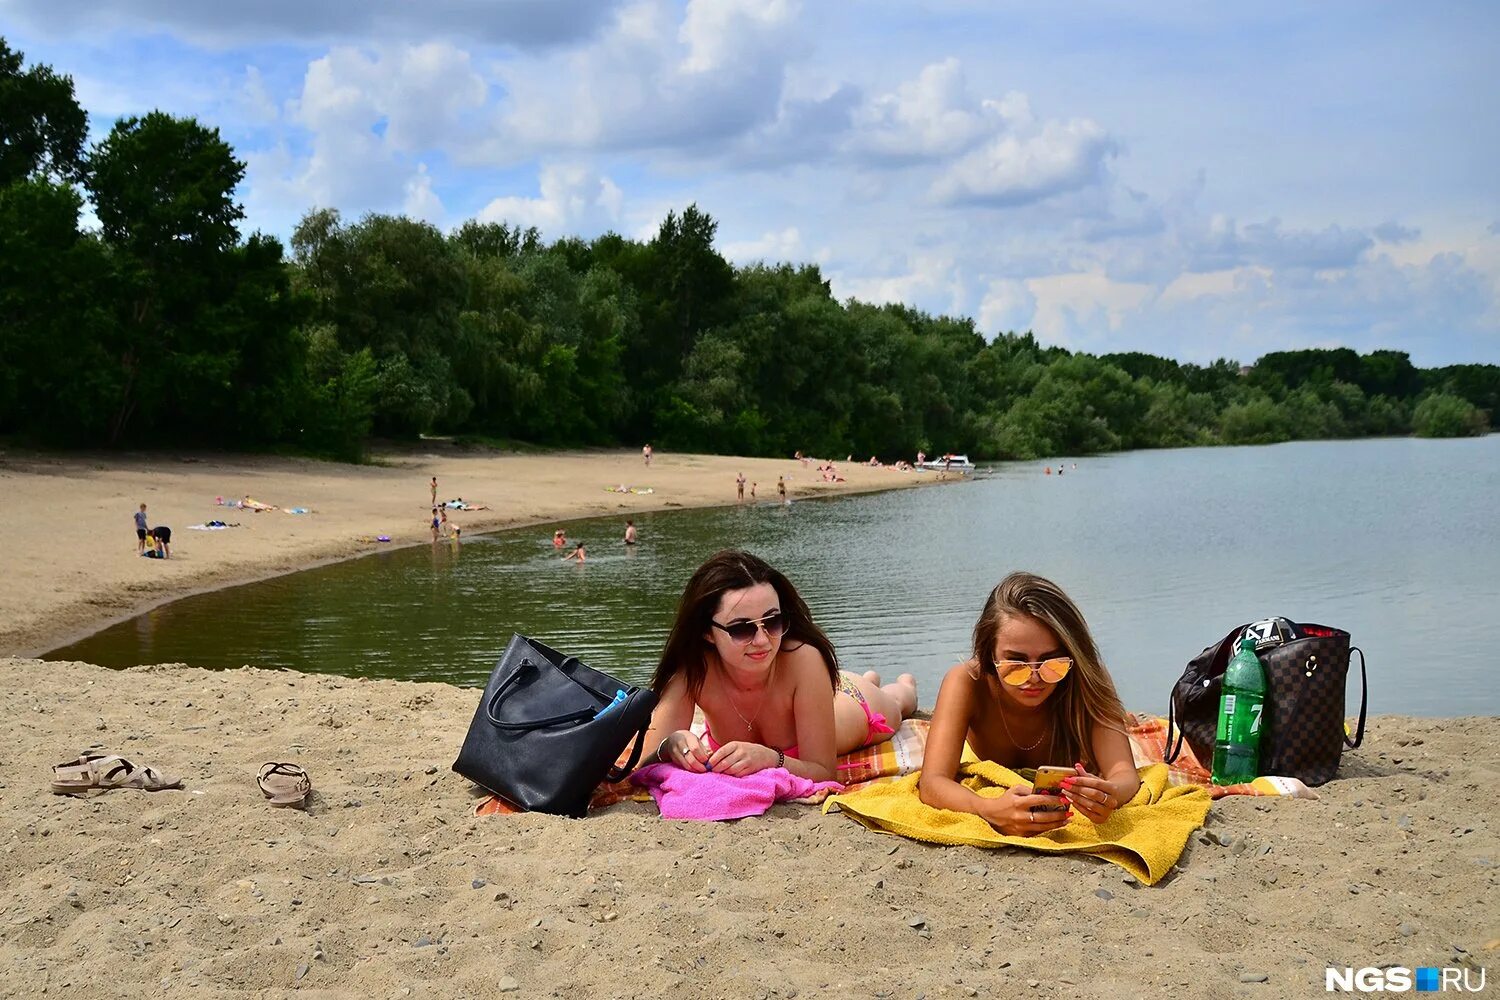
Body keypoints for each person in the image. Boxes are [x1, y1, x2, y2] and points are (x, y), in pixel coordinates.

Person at [639, 550, 917, 782]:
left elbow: (824, 772)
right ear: (707, 632)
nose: (762, 640)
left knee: (897, 703)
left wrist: (771, 759)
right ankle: (869, 677)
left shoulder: (804, 658)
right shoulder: (693, 670)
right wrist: (670, 745)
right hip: (816, 690)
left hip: (854, 703)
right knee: (857, 681)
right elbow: (645, 766)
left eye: (772, 621)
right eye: (741, 629)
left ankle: (901, 684)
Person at [918, 571, 1140, 836]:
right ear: (989, 654)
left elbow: (1124, 773)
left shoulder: (1087, 679)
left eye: (1052, 663)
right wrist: (988, 809)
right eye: (1016, 663)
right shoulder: (967, 682)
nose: (1034, 678)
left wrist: (1109, 795)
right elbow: (932, 782)